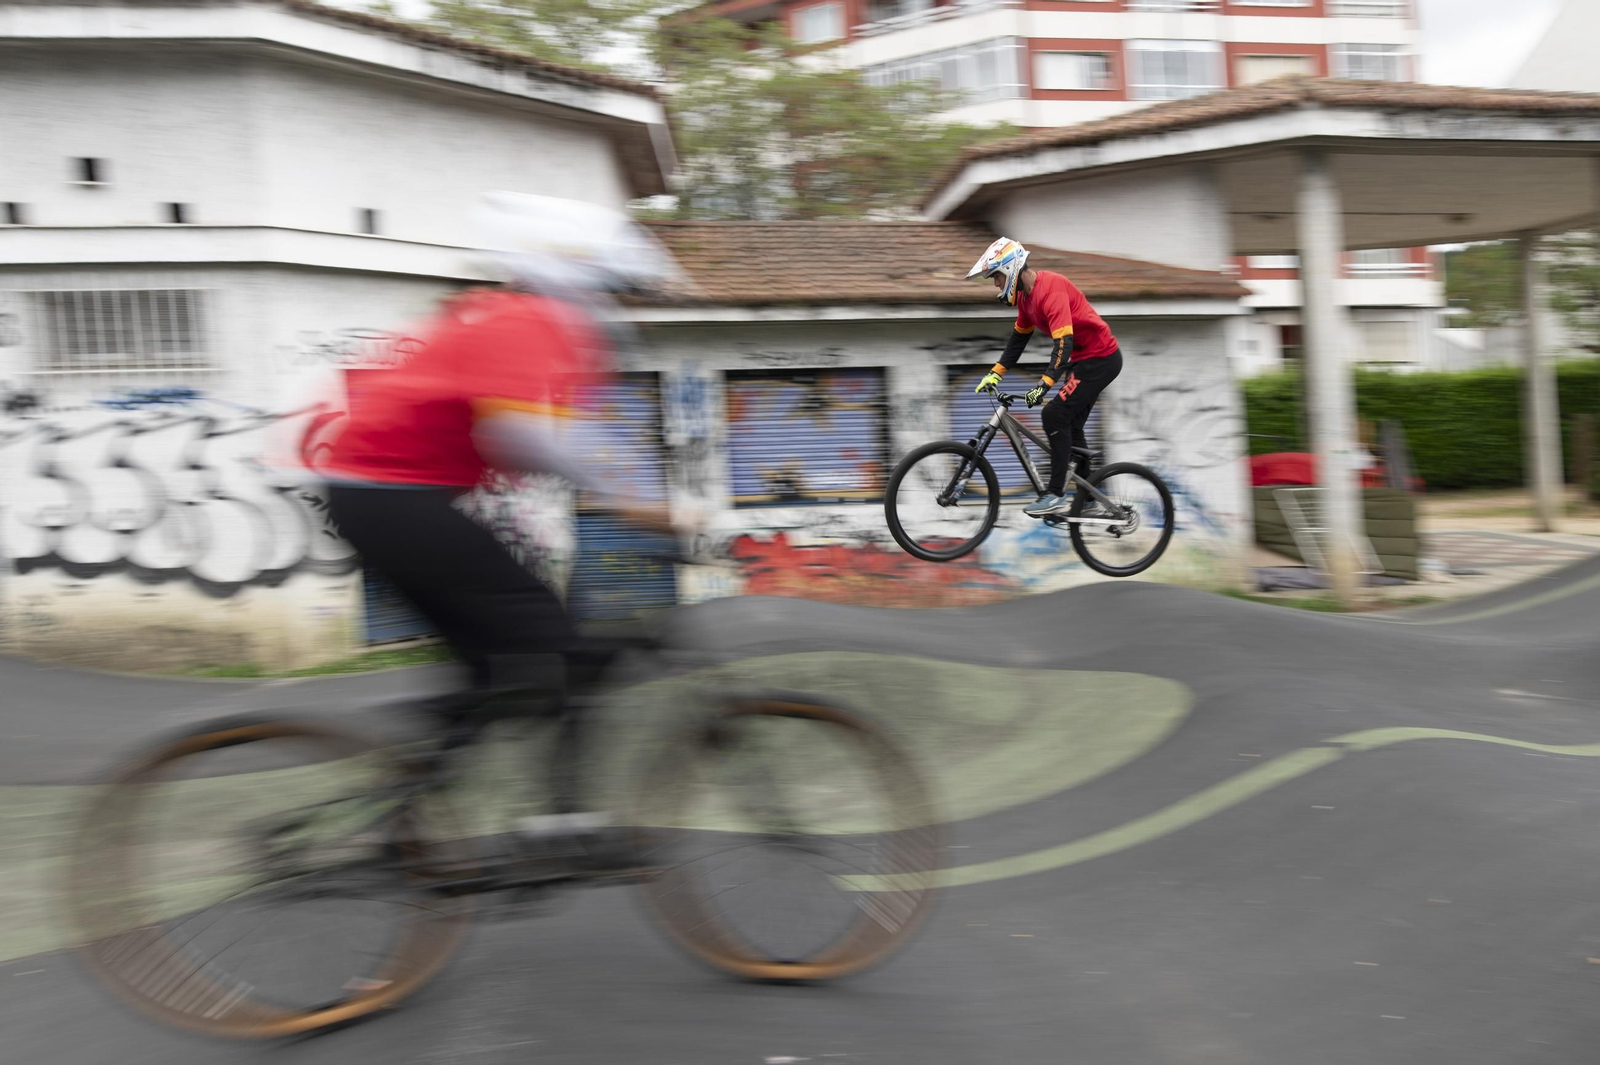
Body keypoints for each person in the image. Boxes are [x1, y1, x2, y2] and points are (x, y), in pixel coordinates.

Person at [315, 192, 689, 698]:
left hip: (382, 496)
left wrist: (619, 484)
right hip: (391, 498)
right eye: (614, 291)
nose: (616, 308)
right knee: (551, 640)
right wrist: (632, 500)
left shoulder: (507, 316)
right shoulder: (532, 320)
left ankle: (430, 765)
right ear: (579, 278)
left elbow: (560, 429)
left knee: (497, 665)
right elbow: (524, 430)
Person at [966, 237, 1122, 517]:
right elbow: (1017, 341)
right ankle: (1088, 501)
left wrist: (1044, 384)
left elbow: (1064, 344)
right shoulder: (1026, 300)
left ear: (1012, 269)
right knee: (1071, 427)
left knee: (1053, 415)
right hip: (1082, 362)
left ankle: (1055, 494)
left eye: (997, 277)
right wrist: (994, 374)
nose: (996, 285)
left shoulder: (1051, 288)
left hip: (1100, 358)